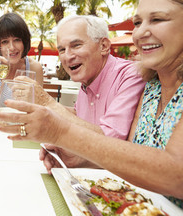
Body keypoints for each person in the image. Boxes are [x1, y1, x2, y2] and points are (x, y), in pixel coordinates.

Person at [0, 0, 183, 205]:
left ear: (104, 46)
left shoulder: (132, 76)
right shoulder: (152, 86)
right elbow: (131, 155)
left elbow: (176, 175)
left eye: (157, 19)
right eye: (136, 23)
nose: (140, 33)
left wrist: (58, 128)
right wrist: (77, 158)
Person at [15, 14, 145, 168]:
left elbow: (111, 142)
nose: (68, 56)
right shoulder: (88, 77)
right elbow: (80, 116)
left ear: (103, 46)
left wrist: (46, 102)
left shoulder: (131, 74)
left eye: (76, 45)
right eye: (62, 49)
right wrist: (68, 155)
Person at [0, 13, 44, 86]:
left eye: (17, 40)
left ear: (24, 42)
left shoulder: (34, 68)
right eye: (5, 41)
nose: (12, 47)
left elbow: (38, 96)